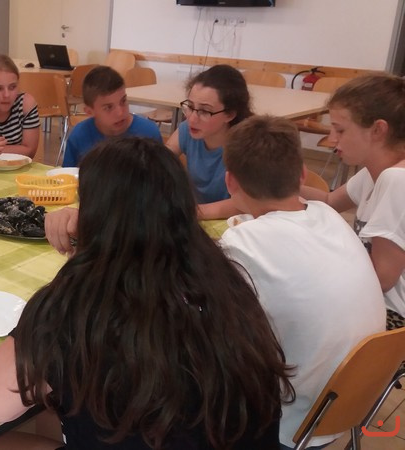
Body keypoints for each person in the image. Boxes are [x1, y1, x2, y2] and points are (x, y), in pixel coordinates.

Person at [0, 136, 290, 449]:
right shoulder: (224, 279)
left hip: (151, 427)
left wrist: (82, 265)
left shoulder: (74, 306)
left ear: (94, 214)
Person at [220, 115, 385, 449]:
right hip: (353, 402)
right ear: (302, 175)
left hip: (289, 423)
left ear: (230, 182)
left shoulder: (242, 242)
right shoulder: (328, 215)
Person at [300, 73, 405, 330]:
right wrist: (275, 183)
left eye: (340, 130)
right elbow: (329, 200)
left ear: (378, 130)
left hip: (392, 319)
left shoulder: (396, 180)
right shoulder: (374, 170)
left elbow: (382, 279)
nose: (331, 139)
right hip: (373, 300)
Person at [167, 64, 253, 219]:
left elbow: (249, 202)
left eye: (205, 111)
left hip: (233, 223)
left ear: (230, 114)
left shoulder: (248, 145)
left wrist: (192, 212)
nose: (192, 119)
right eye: (190, 106)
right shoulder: (188, 129)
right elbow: (161, 159)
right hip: (198, 217)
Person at [62, 65, 162, 167]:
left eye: (123, 101)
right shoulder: (79, 136)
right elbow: (68, 175)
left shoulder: (149, 133)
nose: (120, 113)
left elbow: (161, 175)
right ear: (89, 112)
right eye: (108, 107)